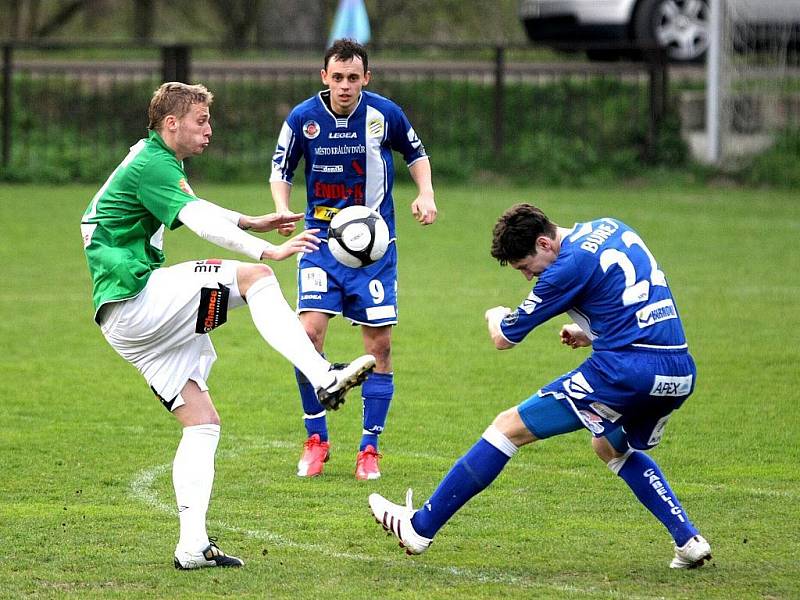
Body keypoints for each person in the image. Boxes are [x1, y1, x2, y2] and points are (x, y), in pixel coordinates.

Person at [80, 82, 375, 570]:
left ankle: (192, 546)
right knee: (257, 276)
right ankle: (322, 376)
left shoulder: (152, 158)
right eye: (201, 121)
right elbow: (199, 222)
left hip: (123, 322)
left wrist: (255, 223)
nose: (208, 130)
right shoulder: (153, 163)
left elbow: (200, 209)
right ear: (171, 123)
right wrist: (268, 250)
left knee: (202, 424)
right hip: (136, 298)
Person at [369, 203, 712, 569]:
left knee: (507, 428)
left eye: (525, 267)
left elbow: (504, 338)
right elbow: (636, 298)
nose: (527, 277)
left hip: (625, 372)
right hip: (677, 371)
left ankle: (418, 528)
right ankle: (687, 540)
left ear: (545, 243)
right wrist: (593, 334)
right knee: (609, 446)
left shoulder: (565, 268)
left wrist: (496, 314)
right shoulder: (612, 226)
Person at [269, 38, 437, 480]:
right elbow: (281, 170)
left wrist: (426, 193)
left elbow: (416, 154)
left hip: (375, 251)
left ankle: (369, 449)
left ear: (366, 78)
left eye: (353, 78)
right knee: (306, 336)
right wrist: (283, 209)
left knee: (379, 346)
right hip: (320, 244)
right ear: (324, 77)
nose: (345, 86)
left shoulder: (385, 114)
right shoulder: (302, 119)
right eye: (337, 77)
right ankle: (316, 440)